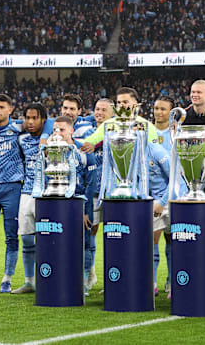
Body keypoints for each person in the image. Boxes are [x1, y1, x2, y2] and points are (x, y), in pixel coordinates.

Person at [52, 116, 98, 296]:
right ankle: (61, 279)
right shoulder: (51, 150)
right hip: (58, 204)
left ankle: (84, 282)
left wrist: (86, 211)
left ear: (71, 130)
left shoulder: (83, 150)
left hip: (80, 203)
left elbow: (91, 183)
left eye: (62, 130)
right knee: (59, 243)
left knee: (84, 244)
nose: (58, 133)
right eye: (55, 130)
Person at [11, 103, 46, 294]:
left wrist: (48, 133)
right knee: (26, 238)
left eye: (35, 118)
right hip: (27, 193)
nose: (31, 122)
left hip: (47, 195)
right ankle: (29, 281)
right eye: (28, 118)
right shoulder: (22, 138)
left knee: (47, 239)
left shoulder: (51, 137)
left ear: (43, 120)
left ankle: (47, 277)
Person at [87, 98, 115, 292]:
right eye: (97, 109)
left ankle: (113, 276)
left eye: (104, 110)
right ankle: (90, 274)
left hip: (113, 193)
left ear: (112, 114)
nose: (99, 113)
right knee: (91, 233)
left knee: (114, 235)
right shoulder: (87, 133)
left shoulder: (117, 133)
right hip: (94, 191)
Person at [80, 87, 159, 154]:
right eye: (119, 102)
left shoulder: (146, 126)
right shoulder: (108, 124)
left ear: (135, 104)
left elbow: (155, 152)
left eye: (125, 102)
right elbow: (90, 141)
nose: (121, 105)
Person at [151, 96, 176, 297]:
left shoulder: (175, 133)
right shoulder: (147, 132)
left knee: (172, 240)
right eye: (156, 108)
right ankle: (152, 283)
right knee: (153, 239)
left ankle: (171, 280)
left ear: (171, 112)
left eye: (163, 109)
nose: (159, 112)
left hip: (173, 193)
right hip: (153, 197)